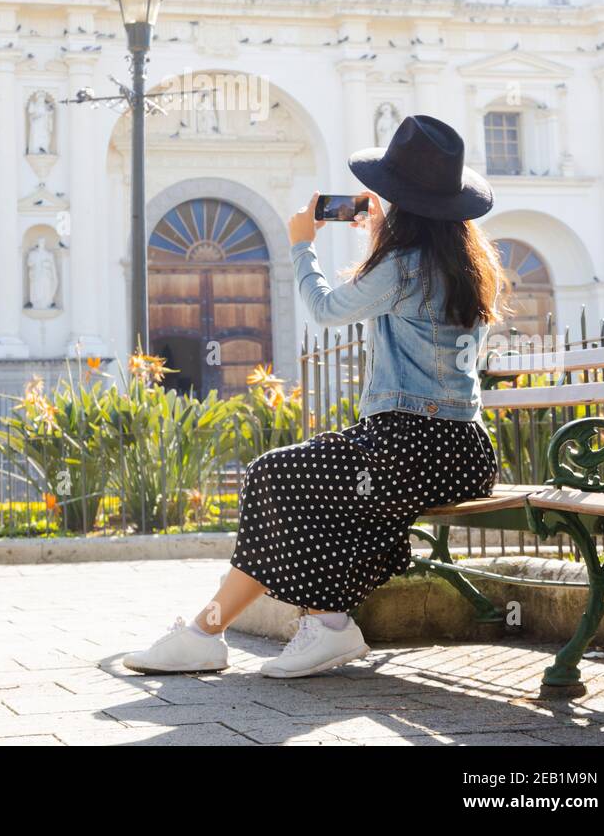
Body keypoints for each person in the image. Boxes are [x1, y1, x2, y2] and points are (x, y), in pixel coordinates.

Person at [122, 114, 507, 679]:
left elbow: (327, 311)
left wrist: (299, 246)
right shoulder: (467, 264)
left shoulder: (405, 266)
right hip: (461, 453)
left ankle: (308, 625)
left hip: (409, 445)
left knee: (272, 475)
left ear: (403, 203)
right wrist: (381, 236)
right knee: (290, 486)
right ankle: (215, 630)